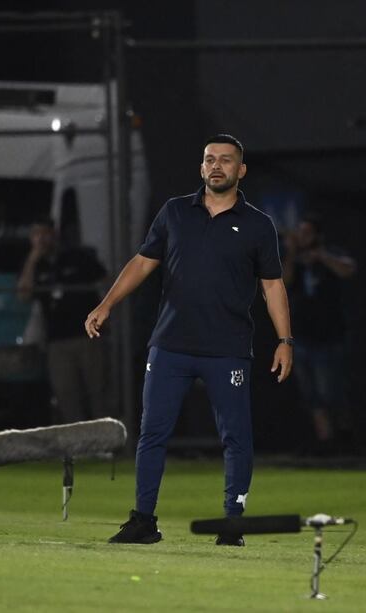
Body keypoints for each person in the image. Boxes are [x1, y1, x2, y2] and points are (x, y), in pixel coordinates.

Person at [85, 134, 293, 546]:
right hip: (170, 345)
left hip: (228, 348)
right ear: (201, 168)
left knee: (236, 437)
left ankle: (232, 523)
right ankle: (143, 521)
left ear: (241, 170)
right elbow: (143, 262)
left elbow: (272, 287)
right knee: (152, 433)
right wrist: (106, 304)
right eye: (209, 159)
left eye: (226, 160)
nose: (217, 166)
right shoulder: (175, 212)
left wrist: (285, 339)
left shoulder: (257, 224)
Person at [17, 219, 108, 424]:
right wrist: (32, 259)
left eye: (45, 234)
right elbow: (24, 295)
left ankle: (107, 442)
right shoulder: (36, 265)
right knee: (66, 393)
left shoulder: (77, 256)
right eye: (36, 235)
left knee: (97, 389)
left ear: (54, 234)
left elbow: (105, 280)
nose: (41, 240)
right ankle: (80, 446)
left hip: (86, 335)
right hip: (57, 340)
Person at [283, 213, 357, 453]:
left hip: (330, 336)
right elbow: (284, 280)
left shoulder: (331, 253)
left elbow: (348, 270)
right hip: (303, 336)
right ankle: (325, 441)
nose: (302, 237)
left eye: (306, 233)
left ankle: (344, 436)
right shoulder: (296, 260)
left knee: (332, 391)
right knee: (311, 393)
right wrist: (293, 254)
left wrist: (321, 256)